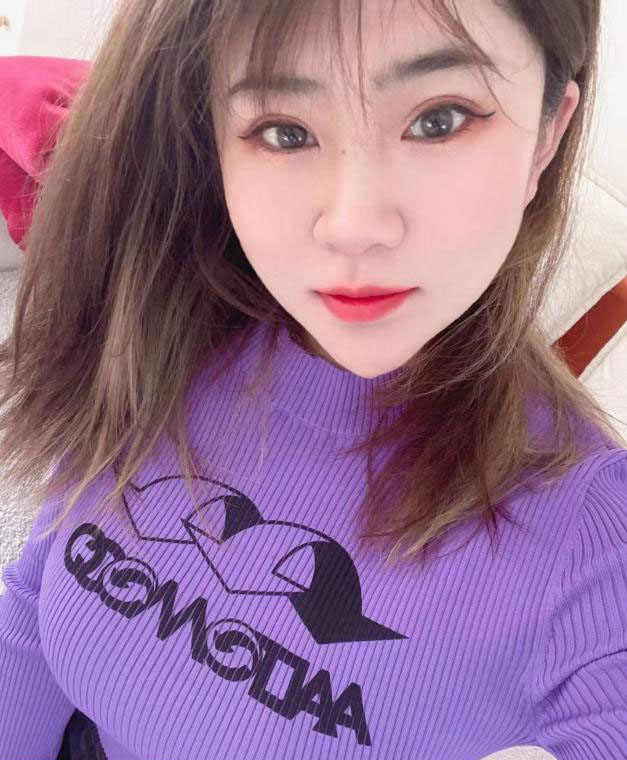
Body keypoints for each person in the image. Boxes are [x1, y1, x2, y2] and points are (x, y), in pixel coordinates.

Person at [0, 0, 625, 758]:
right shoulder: (164, 328)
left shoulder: (590, 529)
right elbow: (36, 600)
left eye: (440, 120)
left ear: (548, 135)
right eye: (284, 131)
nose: (353, 226)